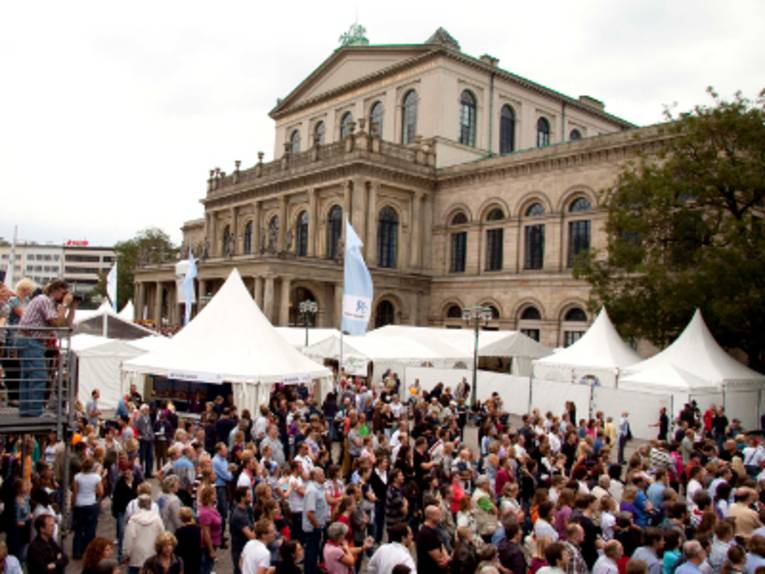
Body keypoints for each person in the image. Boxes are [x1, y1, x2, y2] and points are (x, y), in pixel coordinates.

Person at [17, 279, 78, 416]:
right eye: (63, 293)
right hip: (31, 340)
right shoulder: (44, 300)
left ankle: (26, 411)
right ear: (55, 291)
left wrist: (72, 308)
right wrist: (64, 304)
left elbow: (64, 324)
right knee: (39, 376)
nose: (64, 296)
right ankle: (34, 412)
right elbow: (56, 322)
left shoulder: (51, 304)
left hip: (31, 341)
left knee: (29, 376)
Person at [123, 494, 165, 574]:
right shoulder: (157, 519)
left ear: (139, 505)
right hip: (153, 553)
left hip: (137, 555)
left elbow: (129, 539)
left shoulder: (133, 520)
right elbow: (162, 536)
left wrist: (126, 553)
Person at [71, 457, 104, 560]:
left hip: (80, 504)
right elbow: (101, 491)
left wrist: (73, 503)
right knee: (90, 529)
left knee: (79, 529)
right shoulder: (96, 477)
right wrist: (97, 501)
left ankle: (77, 552)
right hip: (91, 504)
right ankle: (88, 551)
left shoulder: (77, 477)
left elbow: (75, 492)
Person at [303, 468, 330, 574]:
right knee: (311, 553)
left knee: (314, 553)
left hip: (317, 526)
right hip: (312, 528)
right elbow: (309, 513)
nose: (324, 475)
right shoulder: (312, 490)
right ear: (315, 476)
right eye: (322, 473)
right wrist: (317, 526)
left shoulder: (319, 488)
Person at [416, 505, 450, 573]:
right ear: (431, 516)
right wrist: (448, 559)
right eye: (438, 514)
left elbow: (441, 545)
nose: (440, 516)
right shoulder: (426, 534)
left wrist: (447, 557)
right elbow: (440, 560)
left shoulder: (433, 529)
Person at [231, 486, 256, 574]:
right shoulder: (238, 515)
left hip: (247, 549)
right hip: (240, 551)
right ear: (242, 498)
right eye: (248, 495)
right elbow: (251, 536)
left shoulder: (248, 508)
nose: (251, 497)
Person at [174, 507, 203, 574]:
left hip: (185, 559)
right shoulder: (198, 529)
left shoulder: (179, 532)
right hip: (196, 557)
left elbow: (177, 548)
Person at [134, 404, 155, 478]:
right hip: (142, 440)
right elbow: (136, 429)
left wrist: (152, 435)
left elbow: (150, 428)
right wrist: (141, 437)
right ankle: (140, 473)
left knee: (150, 457)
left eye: (148, 409)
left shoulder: (149, 417)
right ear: (142, 410)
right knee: (142, 457)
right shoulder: (139, 418)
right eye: (146, 409)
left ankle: (149, 472)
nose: (148, 411)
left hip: (149, 440)